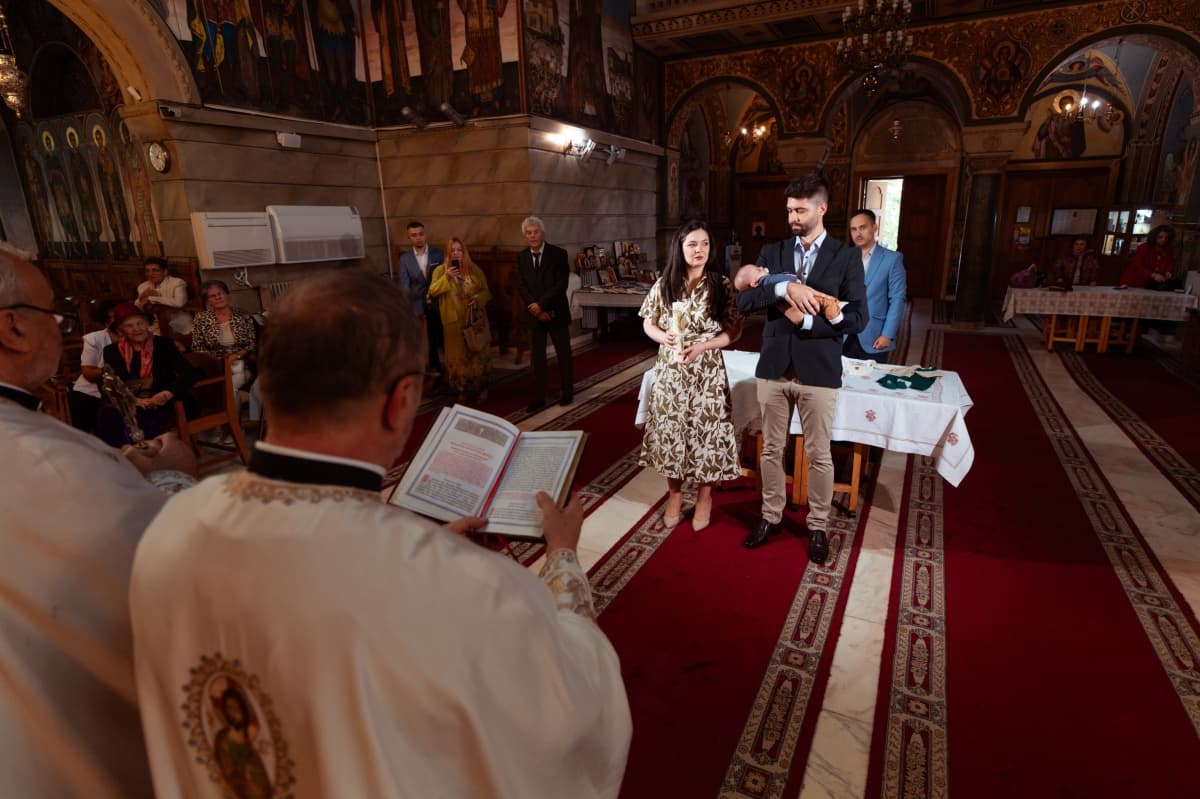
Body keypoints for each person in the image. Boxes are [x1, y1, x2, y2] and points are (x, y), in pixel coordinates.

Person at [129, 271, 632, 798]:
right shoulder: (463, 584)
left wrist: (424, 551)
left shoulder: (172, 526)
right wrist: (563, 558)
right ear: (402, 399)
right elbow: (572, 706)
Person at [0, 243, 195, 799]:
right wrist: (173, 477)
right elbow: (172, 569)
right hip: (71, 745)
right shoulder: (47, 460)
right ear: (13, 328)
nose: (57, 329)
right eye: (52, 315)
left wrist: (119, 469)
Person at [735, 174, 867, 563]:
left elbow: (858, 318)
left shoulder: (845, 257)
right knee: (771, 450)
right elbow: (744, 301)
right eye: (789, 210)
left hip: (819, 369)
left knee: (819, 453)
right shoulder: (772, 252)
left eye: (800, 210)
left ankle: (819, 526)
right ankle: (770, 516)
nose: (792, 217)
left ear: (821, 208)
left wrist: (808, 322)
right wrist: (783, 288)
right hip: (775, 368)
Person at [639, 219, 743, 532]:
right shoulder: (665, 282)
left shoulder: (720, 284)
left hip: (707, 372)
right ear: (680, 247)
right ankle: (674, 495)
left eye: (705, 244)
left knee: (707, 436)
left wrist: (704, 346)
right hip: (671, 371)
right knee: (672, 434)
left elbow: (734, 331)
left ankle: (704, 498)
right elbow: (648, 322)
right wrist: (663, 337)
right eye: (693, 244)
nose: (700, 250)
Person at [96, 303, 195, 447]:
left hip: (161, 401)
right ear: (120, 330)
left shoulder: (164, 344)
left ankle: (146, 454)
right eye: (129, 326)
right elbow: (105, 383)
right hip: (129, 401)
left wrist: (168, 393)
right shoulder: (111, 351)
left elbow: (189, 373)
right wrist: (132, 401)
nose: (136, 329)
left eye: (140, 323)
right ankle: (124, 456)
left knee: (142, 417)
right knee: (108, 413)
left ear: (147, 324)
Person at [517, 216, 574, 412]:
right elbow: (521, 285)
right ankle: (538, 397)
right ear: (525, 236)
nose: (532, 236)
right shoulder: (521, 257)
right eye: (529, 233)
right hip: (534, 315)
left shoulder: (559, 254)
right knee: (537, 358)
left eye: (536, 232)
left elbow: (561, 284)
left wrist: (542, 306)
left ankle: (567, 393)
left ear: (542, 233)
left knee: (563, 354)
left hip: (555, 312)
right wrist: (535, 308)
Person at [428, 237, 493, 403]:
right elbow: (432, 291)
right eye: (452, 250)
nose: (456, 253)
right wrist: (447, 277)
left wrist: (477, 299)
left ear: (464, 252)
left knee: (478, 353)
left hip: (474, 320)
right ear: (448, 253)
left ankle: (482, 387)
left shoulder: (474, 269)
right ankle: (461, 389)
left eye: (459, 250)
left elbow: (486, 292)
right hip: (453, 323)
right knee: (457, 357)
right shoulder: (440, 271)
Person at [844, 209, 907, 363]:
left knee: (872, 378)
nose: (858, 233)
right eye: (854, 229)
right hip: (844, 333)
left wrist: (887, 334)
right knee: (841, 377)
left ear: (875, 227)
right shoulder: (843, 258)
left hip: (874, 335)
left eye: (863, 227)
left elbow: (897, 299)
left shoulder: (892, 259)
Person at [397, 220, 446, 382]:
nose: (418, 238)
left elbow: (444, 279)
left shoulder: (438, 254)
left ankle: (450, 369)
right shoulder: (405, 259)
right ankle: (435, 371)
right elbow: (405, 286)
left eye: (421, 234)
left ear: (425, 234)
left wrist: (433, 294)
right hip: (419, 305)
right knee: (428, 341)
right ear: (409, 237)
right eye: (414, 235)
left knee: (443, 338)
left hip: (439, 302)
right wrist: (422, 297)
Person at [193, 279, 257, 395]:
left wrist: (236, 355)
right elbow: (198, 347)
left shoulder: (243, 315)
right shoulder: (201, 319)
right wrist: (217, 361)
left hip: (240, 365)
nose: (218, 297)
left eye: (220, 293)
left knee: (230, 387)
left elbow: (251, 343)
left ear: (227, 295)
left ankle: (238, 405)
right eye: (212, 296)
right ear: (207, 301)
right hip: (215, 367)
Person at [68, 297, 121, 431]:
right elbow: (88, 373)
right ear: (106, 320)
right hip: (90, 394)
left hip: (124, 393)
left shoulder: (138, 335)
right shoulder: (95, 338)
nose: (118, 320)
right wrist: (114, 371)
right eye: (112, 317)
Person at [1120, 225, 1179, 290]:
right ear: (1154, 236)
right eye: (1160, 237)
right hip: (1134, 280)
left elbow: (1170, 263)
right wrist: (1153, 275)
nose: (1164, 240)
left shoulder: (1168, 250)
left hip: (1151, 284)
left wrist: (1168, 271)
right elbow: (1137, 265)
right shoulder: (1144, 247)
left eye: (1166, 238)